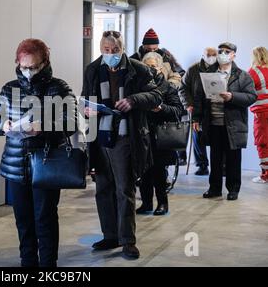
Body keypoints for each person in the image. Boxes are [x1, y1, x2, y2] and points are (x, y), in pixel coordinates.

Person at [0, 38, 77, 267]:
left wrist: (43, 126)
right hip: (16, 167)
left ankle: (48, 265)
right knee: (23, 222)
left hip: (46, 165)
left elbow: (72, 122)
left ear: (45, 62)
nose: (29, 72)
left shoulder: (59, 88)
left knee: (44, 220)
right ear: (18, 63)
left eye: (34, 67)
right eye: (24, 67)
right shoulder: (9, 89)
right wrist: (3, 125)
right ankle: (27, 264)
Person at [82, 31, 162, 259]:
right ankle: (110, 236)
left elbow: (156, 96)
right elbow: (85, 98)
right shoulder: (93, 69)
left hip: (127, 137)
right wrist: (86, 109)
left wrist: (133, 100)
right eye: (105, 50)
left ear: (122, 49)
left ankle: (128, 240)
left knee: (124, 189)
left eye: (114, 50)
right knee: (103, 189)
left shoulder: (139, 69)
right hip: (100, 137)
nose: (110, 54)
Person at [193, 42, 257, 201]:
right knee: (214, 157)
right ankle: (214, 188)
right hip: (213, 122)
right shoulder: (209, 73)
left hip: (233, 124)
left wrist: (232, 96)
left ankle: (233, 189)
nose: (222, 54)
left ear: (234, 55)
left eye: (227, 51)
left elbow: (251, 97)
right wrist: (197, 118)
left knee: (233, 158)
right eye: (220, 51)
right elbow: (199, 97)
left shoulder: (242, 75)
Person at [136, 53, 184, 216]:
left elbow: (178, 110)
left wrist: (161, 108)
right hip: (142, 134)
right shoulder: (137, 85)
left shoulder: (168, 87)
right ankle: (146, 203)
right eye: (147, 66)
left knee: (159, 172)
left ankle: (162, 203)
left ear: (160, 68)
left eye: (154, 66)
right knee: (143, 172)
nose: (151, 69)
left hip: (160, 136)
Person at [179, 47, 218, 175]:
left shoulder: (220, 68)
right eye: (208, 54)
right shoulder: (193, 69)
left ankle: (220, 166)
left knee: (218, 138)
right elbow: (182, 88)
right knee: (198, 138)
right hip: (197, 109)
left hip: (215, 109)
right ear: (203, 55)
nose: (211, 57)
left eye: (214, 55)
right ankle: (202, 165)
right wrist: (188, 104)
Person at [248, 46, 268, 184]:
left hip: (262, 112)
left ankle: (265, 175)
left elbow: (246, 91)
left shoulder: (253, 72)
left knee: (262, 143)